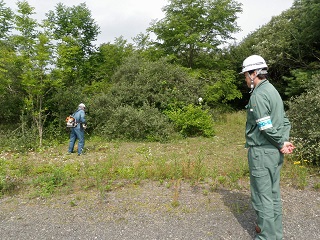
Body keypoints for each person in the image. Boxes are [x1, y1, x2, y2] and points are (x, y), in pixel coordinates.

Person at [240, 55, 295, 240]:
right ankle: (274, 234)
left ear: (254, 73)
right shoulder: (273, 90)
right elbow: (285, 121)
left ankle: (266, 237)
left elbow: (265, 127)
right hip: (274, 153)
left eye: (246, 75)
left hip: (262, 152)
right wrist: (283, 142)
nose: (246, 79)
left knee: (262, 197)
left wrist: (280, 142)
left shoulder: (258, 95)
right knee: (272, 194)